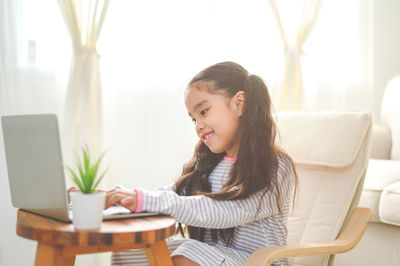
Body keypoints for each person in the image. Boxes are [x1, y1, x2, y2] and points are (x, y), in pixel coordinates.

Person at [101, 62, 297, 266]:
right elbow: (174, 194)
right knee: (131, 251)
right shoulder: (211, 164)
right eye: (193, 119)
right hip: (214, 257)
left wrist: (143, 199)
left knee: (188, 252)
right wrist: (116, 199)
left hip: (257, 262)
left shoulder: (275, 167)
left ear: (239, 104)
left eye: (203, 112)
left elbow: (223, 211)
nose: (198, 126)